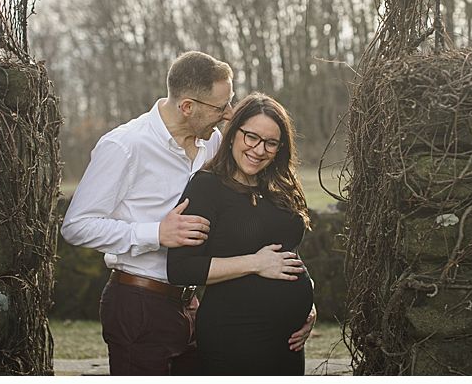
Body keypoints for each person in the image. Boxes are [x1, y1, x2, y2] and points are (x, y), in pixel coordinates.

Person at [62, 52, 315, 375]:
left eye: (230, 103)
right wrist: (155, 233)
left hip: (192, 303)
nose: (228, 115)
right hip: (140, 298)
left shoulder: (212, 145)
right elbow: (76, 226)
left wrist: (300, 301)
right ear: (187, 107)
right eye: (220, 107)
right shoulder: (126, 146)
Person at [166, 93, 315, 375]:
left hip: (289, 342)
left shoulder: (280, 186)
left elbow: (286, 252)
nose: (259, 150)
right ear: (233, 134)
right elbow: (180, 268)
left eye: (271, 143)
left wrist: (309, 304)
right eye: (251, 137)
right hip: (234, 336)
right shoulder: (206, 187)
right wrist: (255, 263)